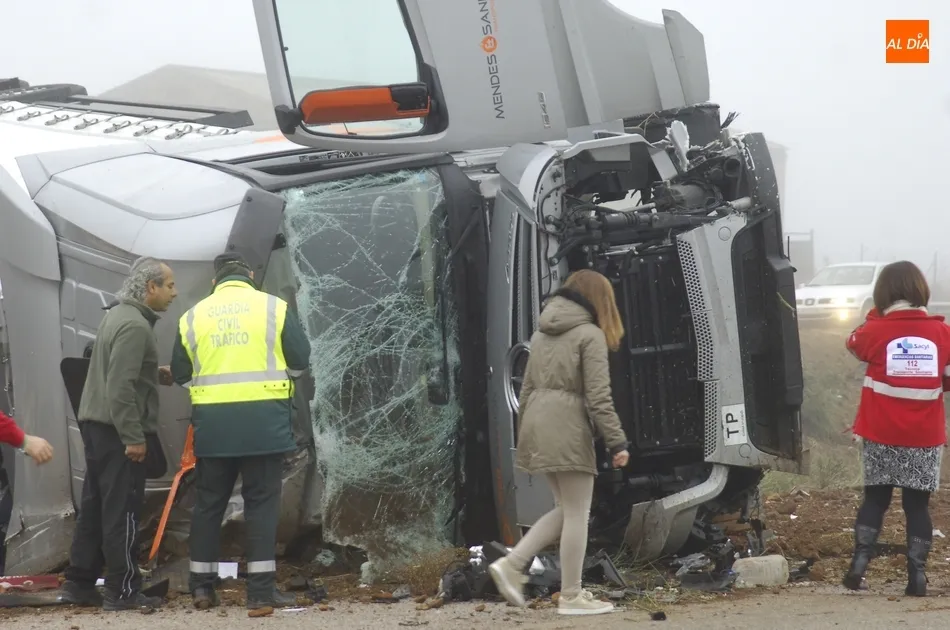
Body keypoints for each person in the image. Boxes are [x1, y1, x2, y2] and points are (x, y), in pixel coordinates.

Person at [170, 252, 311, 611]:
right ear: (250, 276)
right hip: (264, 425)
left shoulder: (192, 317)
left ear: (215, 282)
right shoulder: (273, 308)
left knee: (208, 506)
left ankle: (202, 587)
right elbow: (299, 361)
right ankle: (261, 592)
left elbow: (182, 375)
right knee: (261, 507)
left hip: (214, 429)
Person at [488, 269, 630, 616]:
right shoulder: (589, 334)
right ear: (601, 300)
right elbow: (598, 397)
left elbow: (526, 388)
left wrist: (528, 433)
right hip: (567, 429)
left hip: (538, 424)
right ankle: (570, 595)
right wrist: (617, 442)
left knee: (566, 510)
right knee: (578, 513)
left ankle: (514, 564)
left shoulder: (541, 333)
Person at [59, 257, 177, 610]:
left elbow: (116, 370)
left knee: (95, 507)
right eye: (169, 285)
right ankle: (122, 589)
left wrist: (152, 373)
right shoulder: (136, 327)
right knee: (122, 508)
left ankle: (79, 583)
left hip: (97, 427)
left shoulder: (117, 316)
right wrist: (133, 436)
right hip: (117, 430)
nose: (175, 292)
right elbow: (120, 387)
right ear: (150, 288)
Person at [842, 260, 950, 596]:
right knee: (916, 506)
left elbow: (852, 343)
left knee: (875, 500)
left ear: (882, 294)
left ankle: (858, 567)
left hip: (880, 433)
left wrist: (876, 317)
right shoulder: (942, 334)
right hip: (924, 437)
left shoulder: (875, 331)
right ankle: (917, 577)